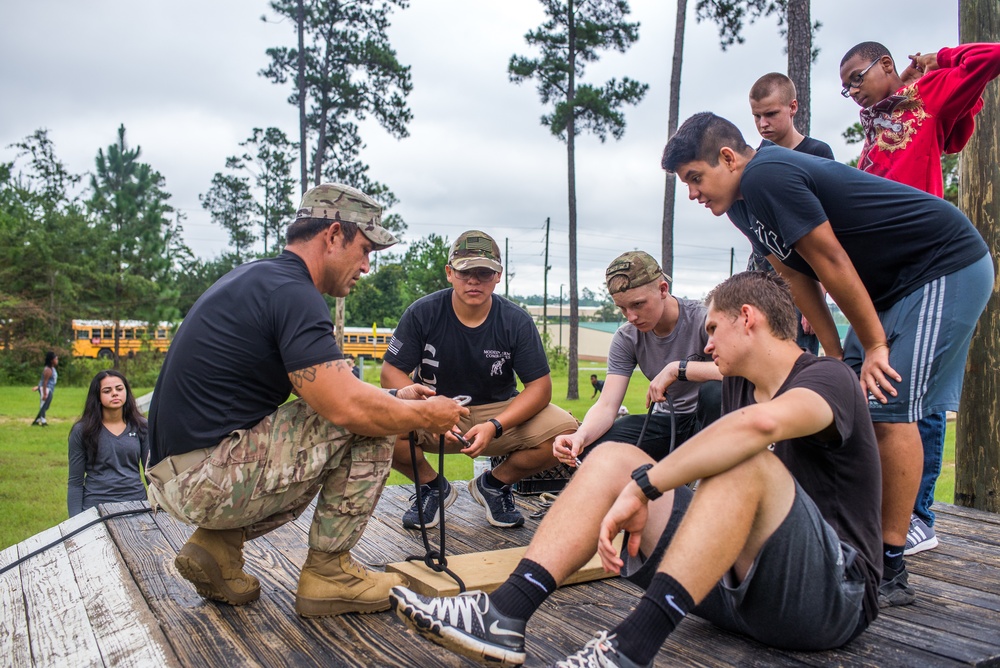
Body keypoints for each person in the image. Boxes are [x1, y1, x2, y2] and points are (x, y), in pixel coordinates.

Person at [390, 272, 883, 667]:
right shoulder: (737, 387)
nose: (706, 346)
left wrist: (648, 486)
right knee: (612, 458)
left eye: (712, 330)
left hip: (830, 598)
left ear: (747, 318)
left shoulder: (828, 378)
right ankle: (503, 614)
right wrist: (632, 477)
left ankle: (629, 650)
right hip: (736, 595)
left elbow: (760, 427)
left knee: (741, 459)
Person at [661, 112, 992, 608]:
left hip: (941, 266)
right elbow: (798, 279)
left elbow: (831, 259)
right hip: (888, 289)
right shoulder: (741, 206)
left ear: (727, 159)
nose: (693, 194)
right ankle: (860, 542)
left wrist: (876, 346)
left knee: (888, 404)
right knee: (853, 397)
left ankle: (891, 565)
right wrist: (835, 361)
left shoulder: (767, 175)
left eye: (695, 179)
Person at [145, 183, 467, 619]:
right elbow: (348, 408)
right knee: (371, 424)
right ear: (333, 236)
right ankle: (331, 574)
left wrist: (396, 395)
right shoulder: (294, 294)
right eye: (365, 249)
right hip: (206, 481)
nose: (368, 266)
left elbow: (321, 390)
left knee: (359, 415)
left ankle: (217, 548)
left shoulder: (265, 279)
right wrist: (422, 412)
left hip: (176, 477)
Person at [840, 40, 1000, 557]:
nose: (853, 93)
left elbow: (991, 57)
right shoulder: (875, 128)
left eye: (857, 78)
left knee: (915, 394)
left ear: (886, 65)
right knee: (865, 385)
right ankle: (873, 506)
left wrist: (941, 58)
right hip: (881, 279)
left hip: (926, 264)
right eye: (845, 88)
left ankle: (917, 517)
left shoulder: (924, 92)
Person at [381, 230, 577, 530]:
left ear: (498, 276)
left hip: (497, 411)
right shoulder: (423, 313)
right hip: (434, 409)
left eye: (484, 273)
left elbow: (540, 388)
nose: (474, 281)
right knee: (376, 422)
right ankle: (431, 486)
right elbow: (390, 374)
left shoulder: (515, 320)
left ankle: (494, 485)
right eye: (464, 272)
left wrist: (495, 426)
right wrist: (429, 409)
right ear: (449, 273)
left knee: (566, 432)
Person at [553, 251, 722, 471]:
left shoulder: (704, 318)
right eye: (622, 308)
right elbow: (607, 405)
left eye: (638, 304)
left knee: (714, 392)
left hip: (711, 422)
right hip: (667, 423)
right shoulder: (627, 337)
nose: (631, 316)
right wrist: (580, 436)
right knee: (595, 450)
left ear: (663, 289)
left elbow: (740, 369)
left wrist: (678, 369)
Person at [747, 72, 835, 355]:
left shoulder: (816, 152)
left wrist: (819, 293)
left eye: (771, 114)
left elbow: (827, 229)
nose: (763, 124)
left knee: (798, 366)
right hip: (759, 280)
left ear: (793, 107)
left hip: (802, 281)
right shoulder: (754, 160)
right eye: (757, 116)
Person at [67, 370, 149, 517]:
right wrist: (74, 522)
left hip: (137, 506)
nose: (115, 393)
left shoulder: (142, 427)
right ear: (97, 396)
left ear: (126, 392)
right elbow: (75, 482)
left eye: (119, 389)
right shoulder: (82, 430)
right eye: (107, 390)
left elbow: (152, 475)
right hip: (95, 509)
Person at [31, 351, 58, 426]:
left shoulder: (52, 369)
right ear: (51, 360)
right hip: (46, 389)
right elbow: (44, 382)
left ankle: (36, 420)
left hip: (49, 388)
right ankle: (43, 421)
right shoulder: (48, 370)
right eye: (55, 359)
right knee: (44, 404)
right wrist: (44, 393)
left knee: (46, 405)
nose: (57, 361)